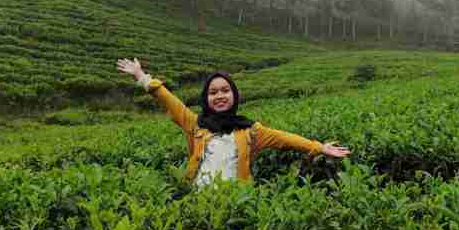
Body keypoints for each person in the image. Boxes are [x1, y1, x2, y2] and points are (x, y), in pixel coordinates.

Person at [117, 58, 350, 186]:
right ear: (206, 98)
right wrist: (141, 76)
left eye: (225, 90)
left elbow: (286, 139)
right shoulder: (195, 124)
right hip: (197, 199)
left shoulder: (251, 130)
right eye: (213, 92)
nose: (219, 96)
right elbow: (169, 100)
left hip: (236, 201)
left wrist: (320, 147)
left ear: (234, 95)